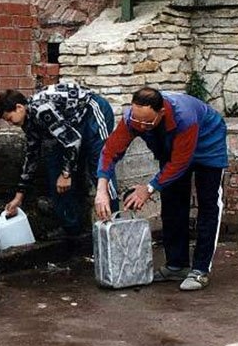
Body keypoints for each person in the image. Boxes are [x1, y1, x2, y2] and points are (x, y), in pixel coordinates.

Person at [95, 86, 228, 291]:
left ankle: (200, 269)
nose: (141, 126)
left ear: (162, 113)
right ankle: (177, 265)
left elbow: (180, 163)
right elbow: (111, 150)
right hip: (171, 147)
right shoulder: (134, 119)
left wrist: (148, 188)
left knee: (208, 204)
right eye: (137, 121)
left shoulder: (185, 117)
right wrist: (101, 188)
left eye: (148, 122)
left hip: (207, 144)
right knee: (172, 202)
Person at [0, 82, 117, 237]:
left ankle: (115, 222)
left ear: (19, 107)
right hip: (71, 126)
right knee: (54, 168)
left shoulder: (42, 109)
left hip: (91, 112)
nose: (11, 124)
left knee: (99, 166)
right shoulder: (28, 121)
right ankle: (71, 230)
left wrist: (66, 175)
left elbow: (72, 141)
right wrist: (19, 196)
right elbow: (32, 156)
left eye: (9, 119)